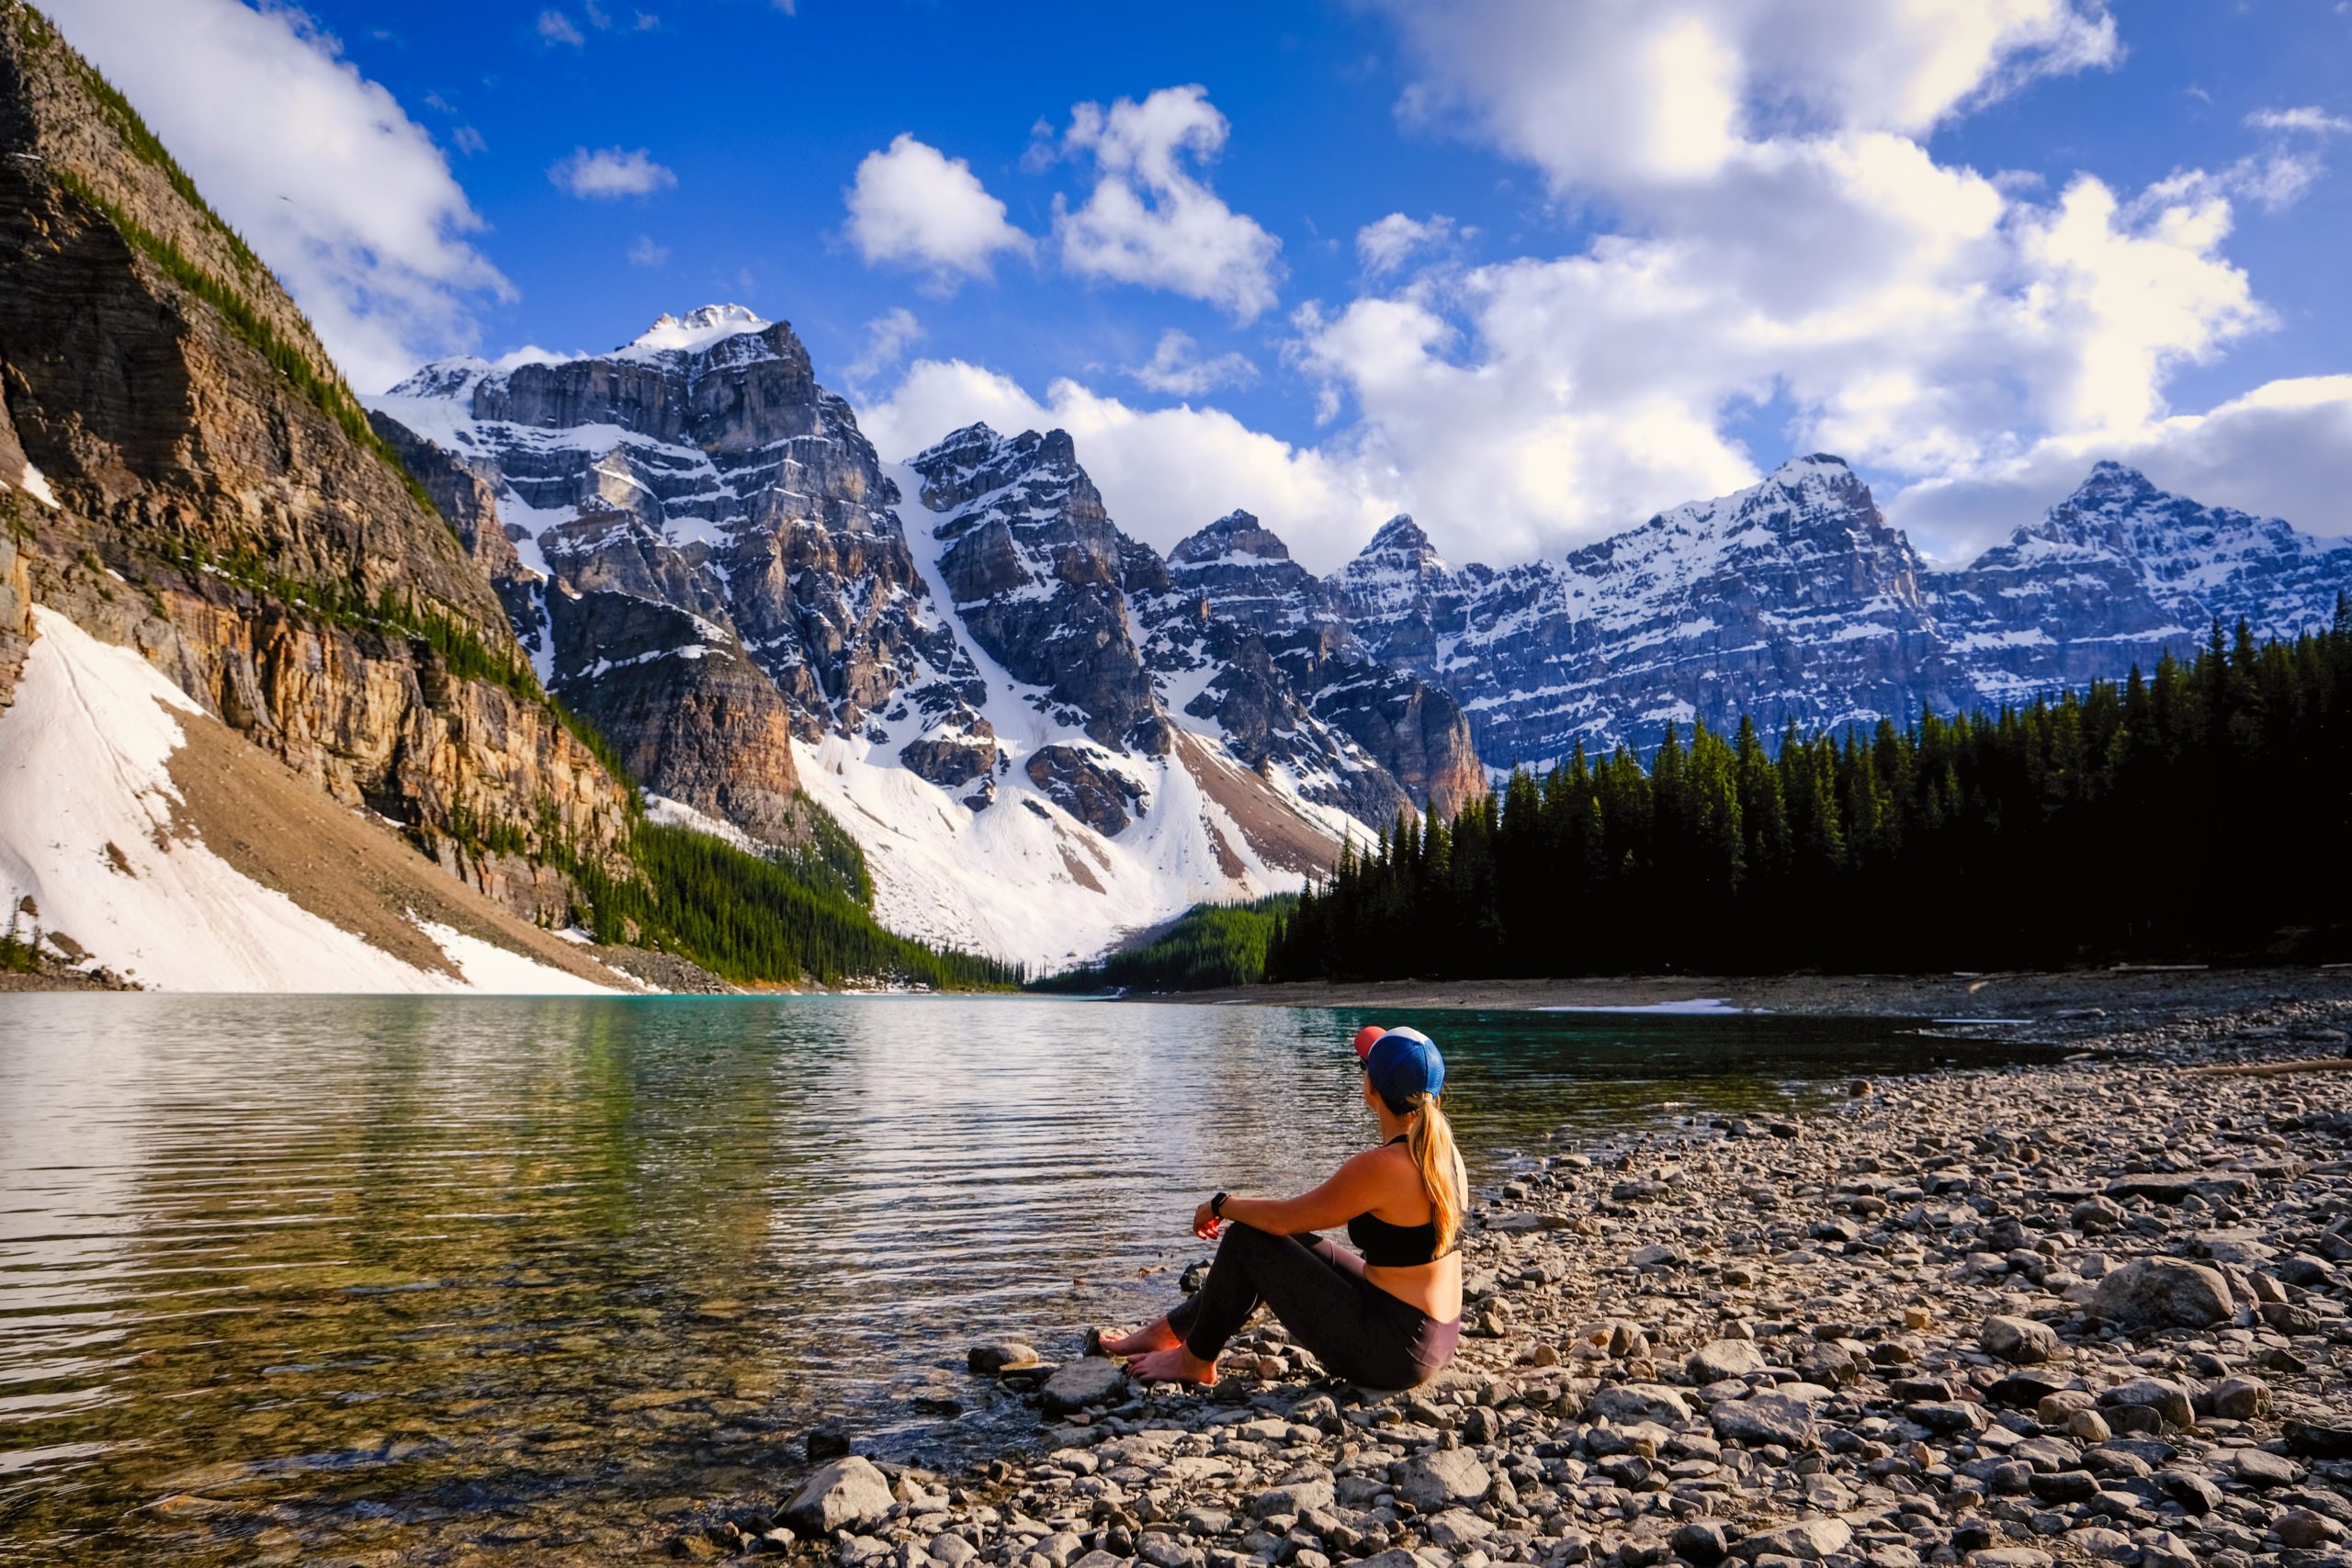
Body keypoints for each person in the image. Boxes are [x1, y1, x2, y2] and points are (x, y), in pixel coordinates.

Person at [1101, 1024, 1465, 1389]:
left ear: (1371, 1088)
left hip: (1395, 1352)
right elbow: (1288, 1224)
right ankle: (1170, 1331)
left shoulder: (1384, 1166)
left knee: (1247, 1239)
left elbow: (1282, 1218)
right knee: (1271, 1236)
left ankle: (1195, 1360)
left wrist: (1220, 1204)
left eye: (1364, 1068)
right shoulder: (1442, 1155)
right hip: (1433, 1335)